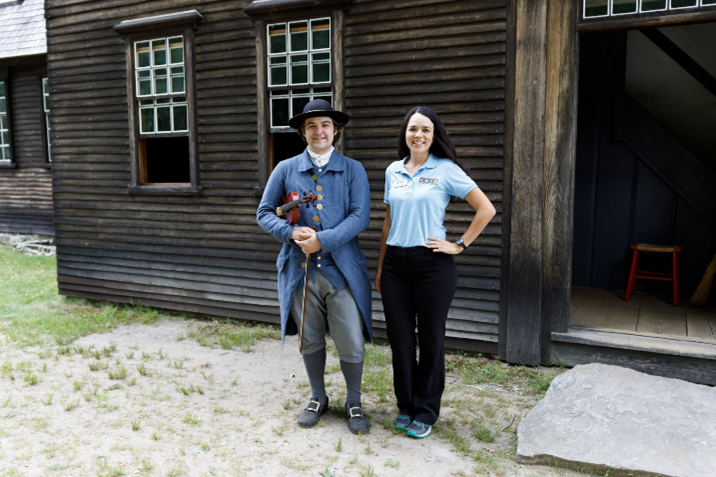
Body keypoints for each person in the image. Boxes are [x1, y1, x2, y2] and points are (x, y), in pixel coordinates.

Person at [375, 106, 496, 439]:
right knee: (400, 340)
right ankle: (406, 406)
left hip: (432, 266)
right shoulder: (393, 171)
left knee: (430, 338)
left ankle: (426, 411)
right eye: (413, 128)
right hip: (396, 266)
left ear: (434, 135)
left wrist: (459, 244)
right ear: (405, 133)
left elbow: (486, 209)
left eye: (425, 130)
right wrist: (382, 265)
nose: (418, 135)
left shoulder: (446, 170)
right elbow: (388, 221)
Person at [257, 99, 372, 434]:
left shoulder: (353, 169)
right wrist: (290, 231)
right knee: (309, 338)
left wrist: (325, 240)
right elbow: (265, 213)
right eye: (311, 126)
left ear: (335, 130)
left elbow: (359, 216)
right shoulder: (285, 168)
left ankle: (353, 401)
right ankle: (317, 397)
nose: (318, 131)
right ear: (302, 132)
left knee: (350, 338)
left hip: (343, 271)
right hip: (300, 271)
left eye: (324, 124)